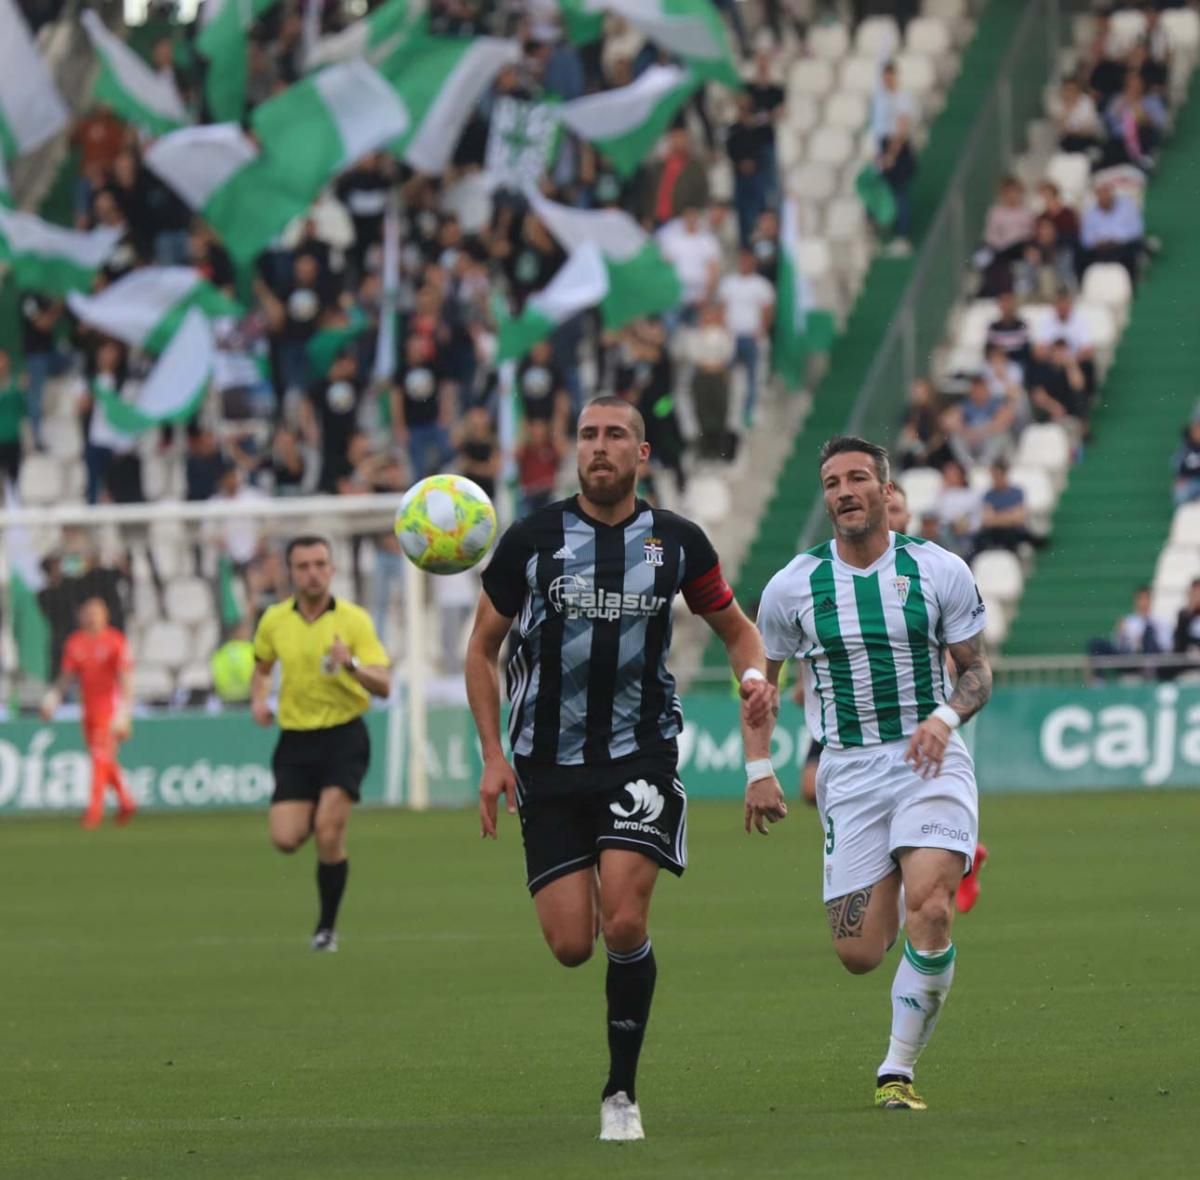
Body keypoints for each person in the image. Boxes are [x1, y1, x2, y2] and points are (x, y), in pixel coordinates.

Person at [464, 396, 783, 1141]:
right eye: (587, 435)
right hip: (546, 764)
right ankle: (606, 896)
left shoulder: (676, 543)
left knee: (627, 920)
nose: (598, 447)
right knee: (574, 944)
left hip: (640, 753)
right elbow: (480, 649)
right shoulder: (531, 539)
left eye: (615, 436)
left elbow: (739, 633)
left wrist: (753, 678)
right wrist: (490, 757)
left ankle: (620, 1093)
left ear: (642, 454)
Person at [756, 435, 993, 1111]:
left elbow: (975, 670)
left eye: (857, 478)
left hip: (930, 760)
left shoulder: (937, 569)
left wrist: (943, 719)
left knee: (932, 908)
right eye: (832, 482)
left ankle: (897, 1071)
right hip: (850, 775)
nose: (844, 491)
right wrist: (758, 767)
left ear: (885, 492)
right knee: (859, 952)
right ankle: (925, 858)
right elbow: (760, 682)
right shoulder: (791, 586)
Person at [250, 536, 392, 952]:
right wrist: (259, 700)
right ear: (290, 573)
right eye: (303, 566)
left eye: (319, 564)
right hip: (295, 740)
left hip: (343, 735)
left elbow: (384, 684)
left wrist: (350, 663)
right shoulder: (273, 620)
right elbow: (261, 668)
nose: (312, 572)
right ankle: (322, 817)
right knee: (286, 838)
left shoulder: (354, 621)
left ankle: (325, 929)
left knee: (329, 832)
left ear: (331, 570)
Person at [40, 598, 137, 829]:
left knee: (98, 757)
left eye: (97, 612)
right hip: (89, 710)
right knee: (104, 759)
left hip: (109, 709)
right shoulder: (76, 643)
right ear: (81, 615)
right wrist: (52, 699)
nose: (92, 617)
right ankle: (126, 801)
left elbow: (126, 679)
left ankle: (94, 811)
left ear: (106, 615)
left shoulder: (115, 641)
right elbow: (66, 677)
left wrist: (124, 712)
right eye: (89, 612)